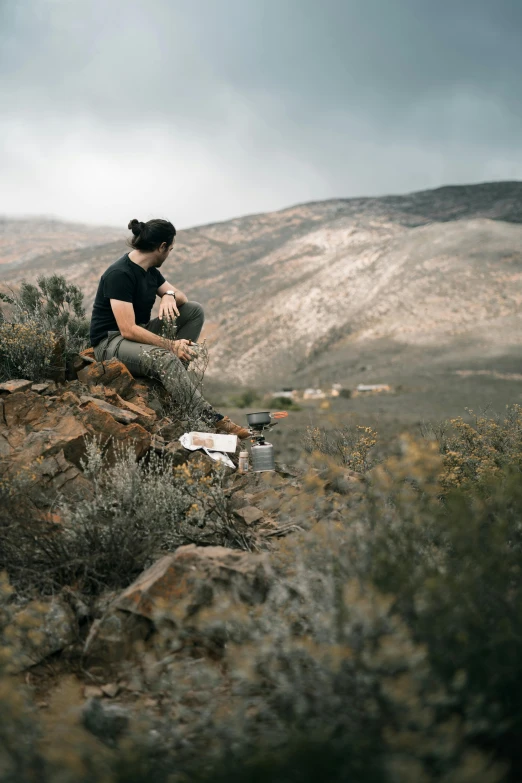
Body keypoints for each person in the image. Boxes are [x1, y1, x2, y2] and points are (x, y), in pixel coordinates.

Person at [89, 217, 249, 439]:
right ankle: (211, 418)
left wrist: (169, 296)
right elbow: (127, 329)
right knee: (166, 357)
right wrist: (171, 345)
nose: (169, 253)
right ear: (161, 247)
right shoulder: (120, 274)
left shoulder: (151, 271)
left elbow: (183, 297)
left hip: (137, 336)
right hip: (111, 342)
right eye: (170, 249)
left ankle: (174, 381)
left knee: (194, 310)